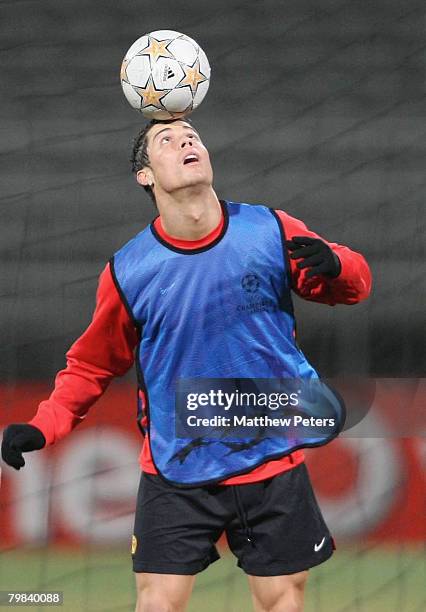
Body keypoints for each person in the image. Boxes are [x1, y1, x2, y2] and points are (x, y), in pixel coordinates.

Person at [2, 118, 372, 612]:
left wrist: (339, 265)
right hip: (178, 465)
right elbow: (90, 367)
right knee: (157, 604)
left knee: (284, 600)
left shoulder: (269, 228)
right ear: (145, 175)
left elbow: (354, 286)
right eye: (167, 140)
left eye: (192, 135)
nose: (186, 141)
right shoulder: (129, 271)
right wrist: (43, 426)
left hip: (271, 453)